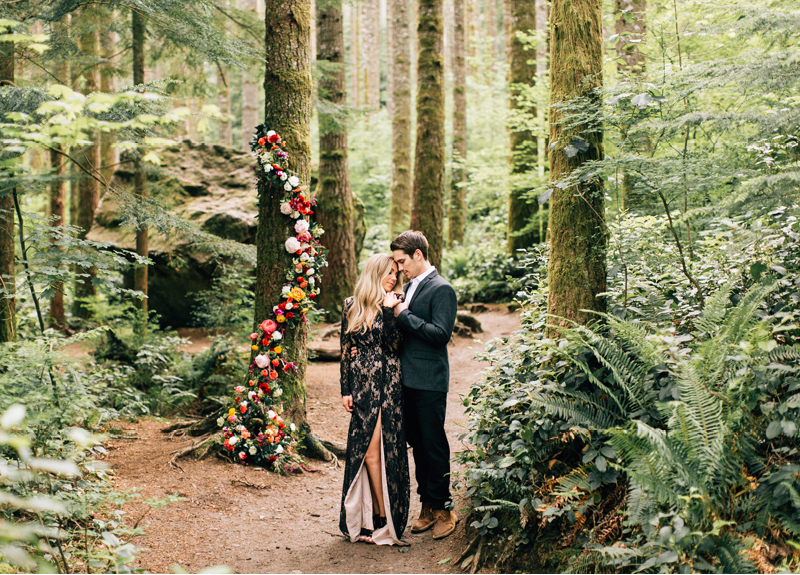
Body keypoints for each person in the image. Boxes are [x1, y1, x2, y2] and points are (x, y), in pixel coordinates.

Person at [390, 231, 459, 540]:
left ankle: (445, 508)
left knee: (433, 444)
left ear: (418, 255)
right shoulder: (408, 286)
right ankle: (427, 504)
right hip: (406, 379)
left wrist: (403, 315)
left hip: (430, 380)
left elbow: (440, 334)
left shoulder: (442, 289)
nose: (399, 267)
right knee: (417, 443)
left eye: (402, 261)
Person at [338, 254, 410, 545]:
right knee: (365, 451)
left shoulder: (395, 302)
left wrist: (392, 311)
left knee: (377, 451)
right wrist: (345, 389)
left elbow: (394, 345)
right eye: (388, 272)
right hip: (361, 387)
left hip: (387, 385)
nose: (393, 277)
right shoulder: (351, 305)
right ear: (374, 272)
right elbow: (345, 348)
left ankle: (382, 516)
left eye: (396, 273)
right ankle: (369, 518)